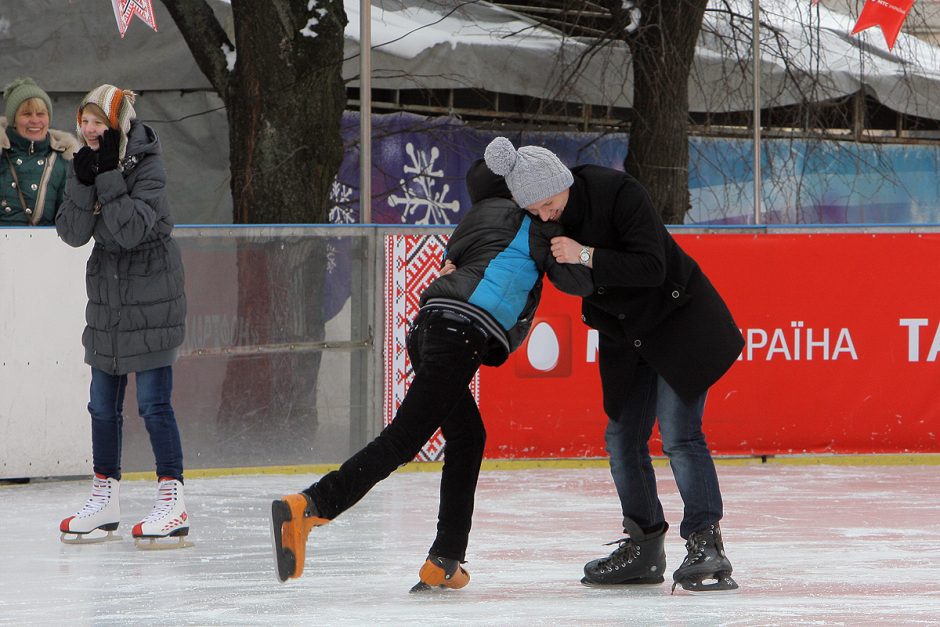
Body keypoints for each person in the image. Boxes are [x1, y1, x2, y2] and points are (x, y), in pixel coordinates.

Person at [270, 157, 593, 590]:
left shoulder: (476, 217)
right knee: (403, 439)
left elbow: (458, 263)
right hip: (462, 332)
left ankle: (444, 559)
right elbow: (576, 282)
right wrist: (581, 250)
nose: (547, 209)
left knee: (467, 436)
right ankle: (310, 505)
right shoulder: (536, 227)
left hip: (429, 329)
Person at [480, 136, 745, 593]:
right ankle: (644, 547)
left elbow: (652, 266)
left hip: (676, 321)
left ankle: (707, 546)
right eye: (535, 210)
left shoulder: (619, 193)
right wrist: (456, 264)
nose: (545, 215)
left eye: (548, 204)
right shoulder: (540, 220)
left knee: (680, 435)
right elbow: (517, 258)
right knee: (622, 437)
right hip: (625, 335)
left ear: (561, 182)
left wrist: (586, 255)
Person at [55, 85, 190, 550]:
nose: (89, 130)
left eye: (98, 122)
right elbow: (72, 233)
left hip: (153, 292)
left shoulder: (148, 163)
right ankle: (104, 498)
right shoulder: (88, 164)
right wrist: (83, 177)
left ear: (118, 124)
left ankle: (172, 500)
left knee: (153, 404)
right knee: (101, 405)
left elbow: (131, 229)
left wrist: (109, 173)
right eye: (84, 121)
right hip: (109, 297)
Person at [1, 77, 79, 225]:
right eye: (27, 114)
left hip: (44, 246)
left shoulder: (62, 161)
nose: (35, 120)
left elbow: (67, 222)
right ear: (13, 120)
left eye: (41, 114)